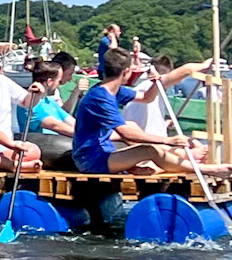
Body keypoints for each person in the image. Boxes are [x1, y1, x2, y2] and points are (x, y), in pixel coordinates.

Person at [71, 48, 213, 175]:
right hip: (90, 159)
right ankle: (205, 169)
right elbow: (126, 133)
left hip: (104, 152)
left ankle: (173, 164)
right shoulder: (101, 97)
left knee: (144, 142)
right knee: (149, 151)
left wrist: (155, 83)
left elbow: (147, 98)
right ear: (126, 72)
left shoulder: (115, 91)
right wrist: (167, 140)